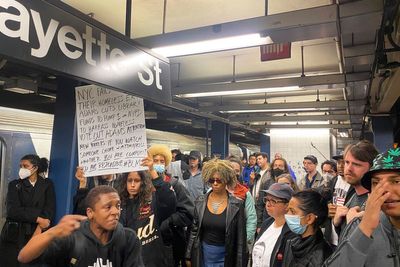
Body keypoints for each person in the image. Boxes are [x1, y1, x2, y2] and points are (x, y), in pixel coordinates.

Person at [17, 186, 144, 266]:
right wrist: (53, 231)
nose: (116, 211)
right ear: (90, 212)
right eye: (108, 207)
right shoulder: (72, 237)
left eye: (118, 206)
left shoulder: (128, 239)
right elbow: (23, 257)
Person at [324, 147, 400, 266]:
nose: (385, 190)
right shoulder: (360, 224)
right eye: (376, 183)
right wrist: (364, 229)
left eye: (396, 181)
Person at [118, 153, 177, 266]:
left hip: (152, 260)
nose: (133, 185)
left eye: (137, 180)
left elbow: (169, 201)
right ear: (124, 183)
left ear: (143, 182)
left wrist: (152, 171)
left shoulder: (152, 201)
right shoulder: (119, 205)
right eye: (129, 181)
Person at [185, 159, 246, 267]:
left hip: (226, 257)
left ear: (227, 180)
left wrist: (240, 263)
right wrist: (188, 255)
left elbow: (240, 240)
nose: (215, 183)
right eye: (211, 180)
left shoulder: (237, 205)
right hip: (203, 254)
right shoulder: (200, 201)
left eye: (219, 180)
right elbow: (194, 230)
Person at [0, 154, 55, 267]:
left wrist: (40, 227)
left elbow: (49, 209)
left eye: (25, 166)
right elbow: (13, 211)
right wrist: (38, 218)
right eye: (20, 166)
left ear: (35, 168)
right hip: (14, 234)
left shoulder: (47, 185)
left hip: (35, 233)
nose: (22, 169)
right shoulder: (14, 185)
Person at [147, 144, 195, 267]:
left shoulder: (175, 185)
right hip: (149, 242)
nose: (158, 164)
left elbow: (188, 213)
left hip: (171, 242)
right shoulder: (144, 186)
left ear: (166, 163)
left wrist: (168, 222)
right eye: (155, 160)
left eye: (161, 161)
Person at [332, 140, 378, 235]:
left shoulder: (377, 203)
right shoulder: (352, 195)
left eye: (356, 164)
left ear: (372, 168)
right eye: (347, 162)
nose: (348, 168)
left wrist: (353, 225)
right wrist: (336, 223)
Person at [282, 190, 332, 266]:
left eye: (292, 211)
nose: (287, 214)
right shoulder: (292, 242)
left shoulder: (322, 257)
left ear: (309, 218)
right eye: (288, 210)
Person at [252, 183, 296, 267]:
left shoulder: (291, 231)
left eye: (273, 201)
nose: (268, 204)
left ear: (287, 205)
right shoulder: (266, 223)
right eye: (267, 200)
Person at [227, 156, 257, 256]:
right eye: (231, 169)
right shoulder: (215, 191)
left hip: (238, 241)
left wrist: (245, 239)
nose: (234, 173)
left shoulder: (245, 193)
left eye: (237, 170)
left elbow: (251, 218)